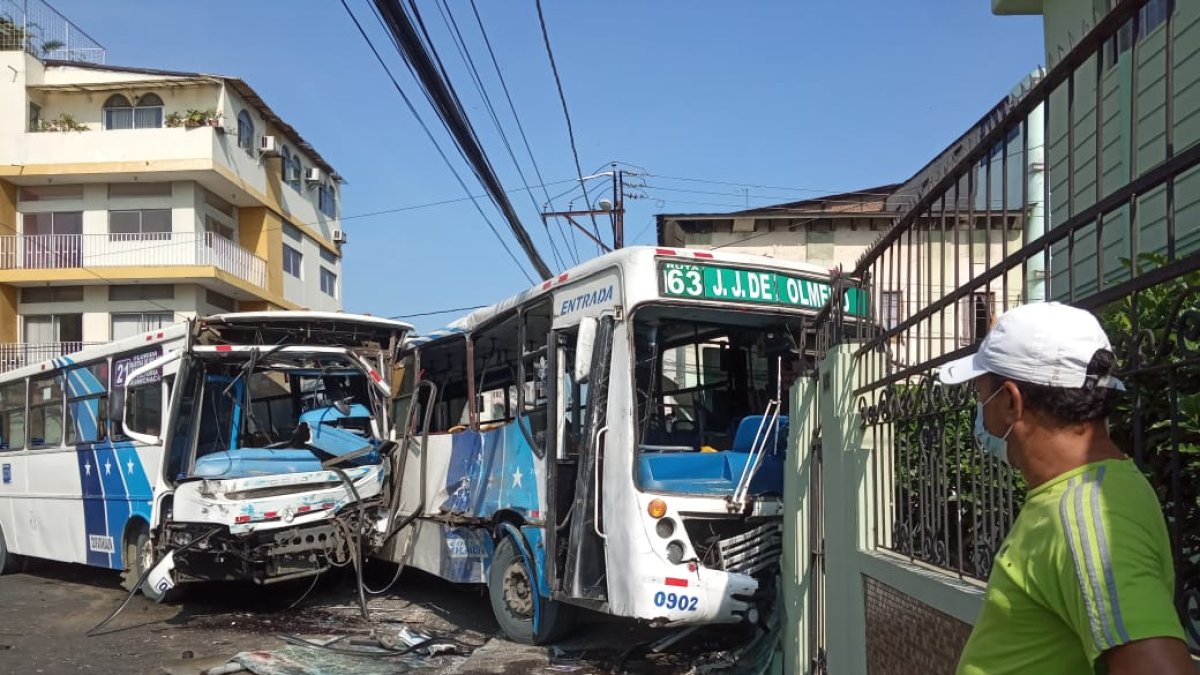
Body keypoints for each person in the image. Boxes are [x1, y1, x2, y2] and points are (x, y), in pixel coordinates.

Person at [939, 302, 1191, 675]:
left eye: (982, 397)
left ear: (1011, 401)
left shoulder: (1087, 518)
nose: (981, 414)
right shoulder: (1087, 492)